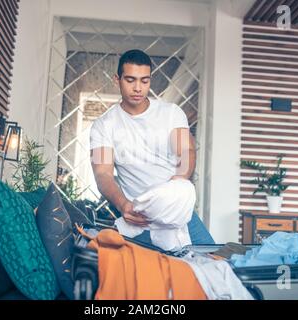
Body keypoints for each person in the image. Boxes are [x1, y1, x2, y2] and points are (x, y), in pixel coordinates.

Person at [89, 49, 214, 246]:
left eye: (144, 81)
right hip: (139, 217)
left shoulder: (171, 113)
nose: (138, 88)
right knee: (152, 274)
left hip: (176, 212)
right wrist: (123, 206)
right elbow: (103, 174)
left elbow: (186, 151)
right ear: (117, 79)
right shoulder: (103, 125)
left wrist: (178, 183)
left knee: (214, 263)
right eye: (130, 80)